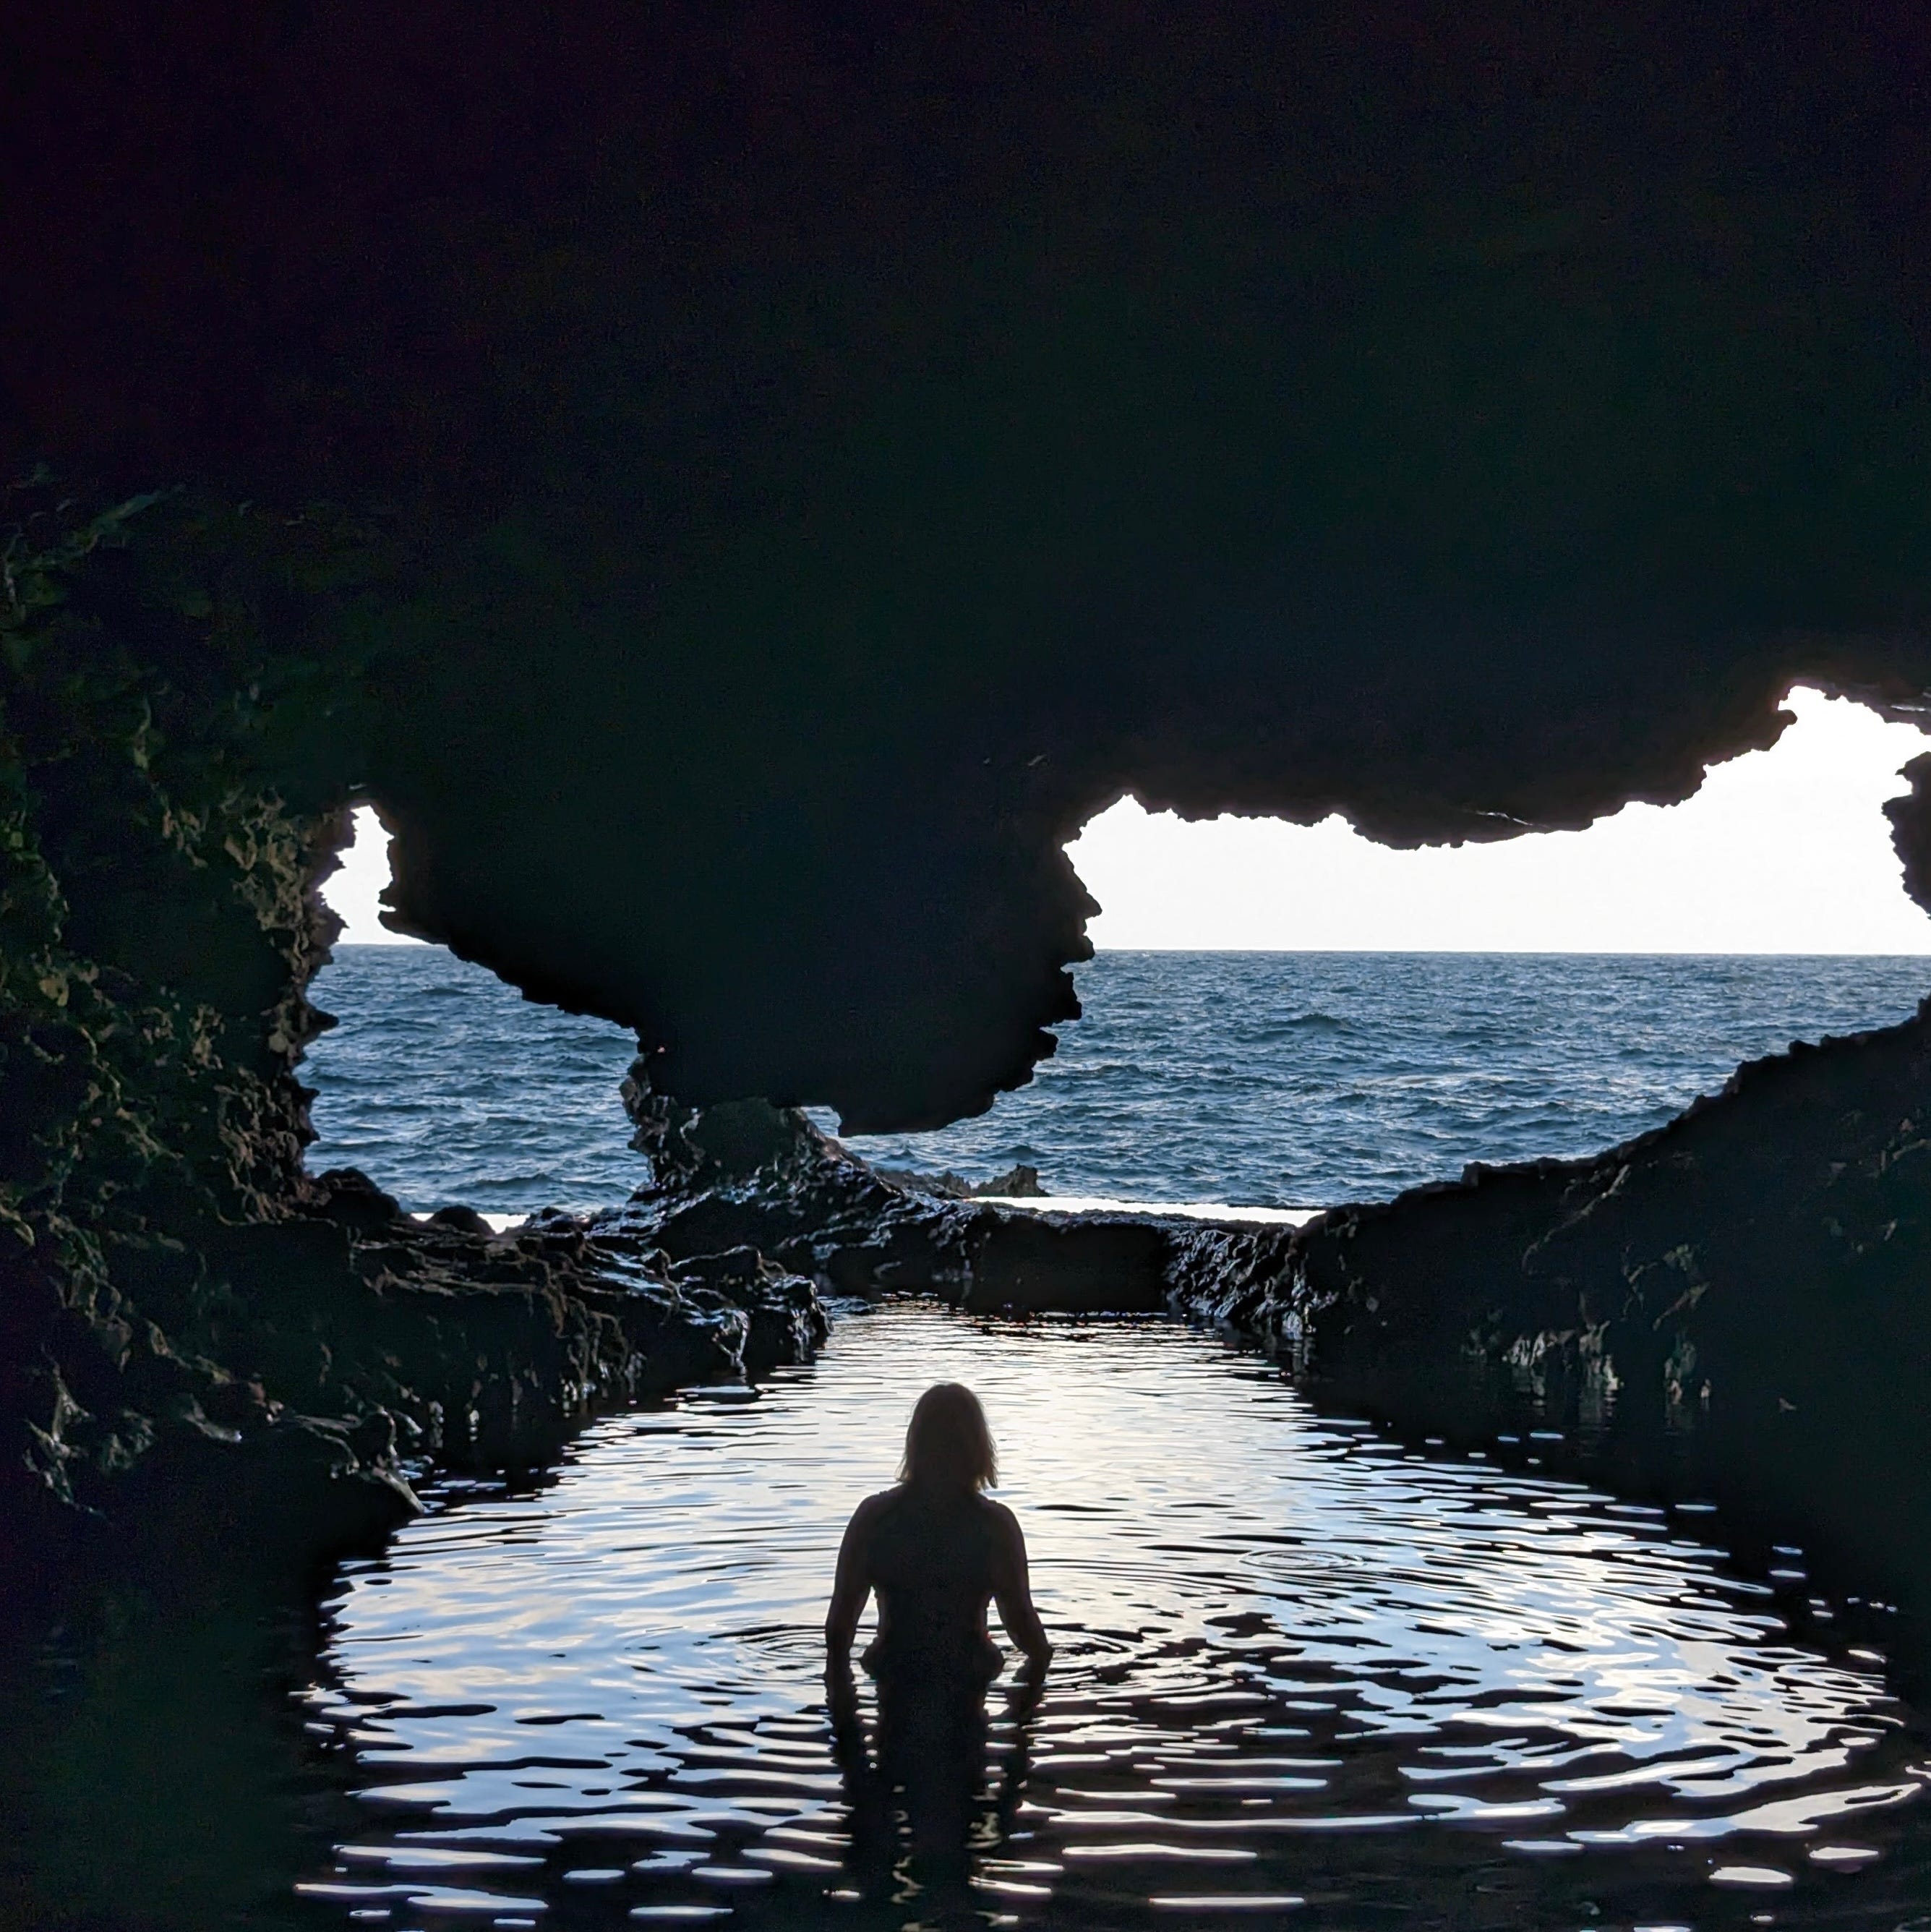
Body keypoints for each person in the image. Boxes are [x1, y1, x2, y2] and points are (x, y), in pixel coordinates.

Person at [824, 1383, 1050, 1875]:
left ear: (914, 1444)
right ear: (979, 1448)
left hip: (894, 1677)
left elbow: (837, 1636)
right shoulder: (993, 1528)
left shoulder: (875, 1518)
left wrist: (843, 1723)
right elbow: (1027, 1637)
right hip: (966, 1681)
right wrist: (1032, 1710)